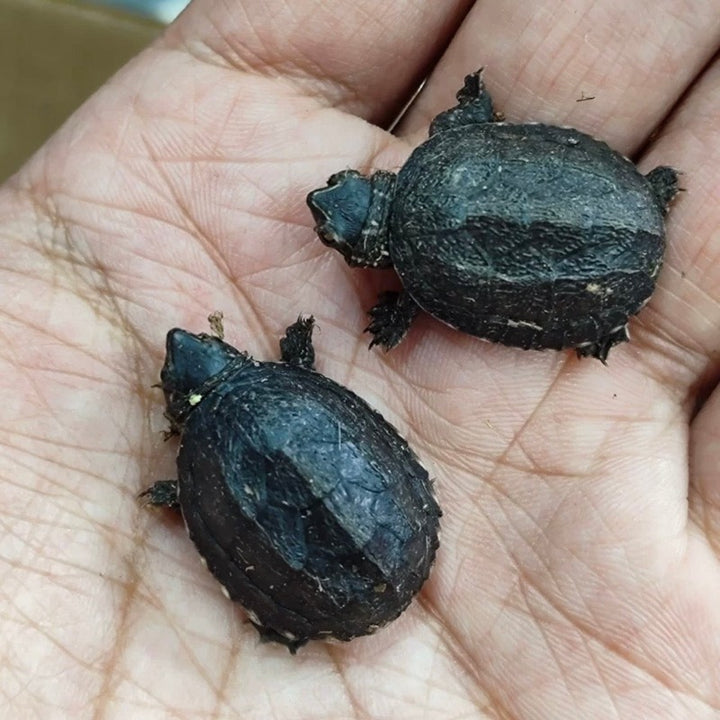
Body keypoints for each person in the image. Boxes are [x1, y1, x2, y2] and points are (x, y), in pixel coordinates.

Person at [1, 1, 718, 716]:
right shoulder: (434, 175)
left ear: (369, 254)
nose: (319, 200)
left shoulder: (206, 459)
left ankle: (598, 317)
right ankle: (600, 308)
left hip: (596, 241)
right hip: (611, 209)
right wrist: (470, 110)